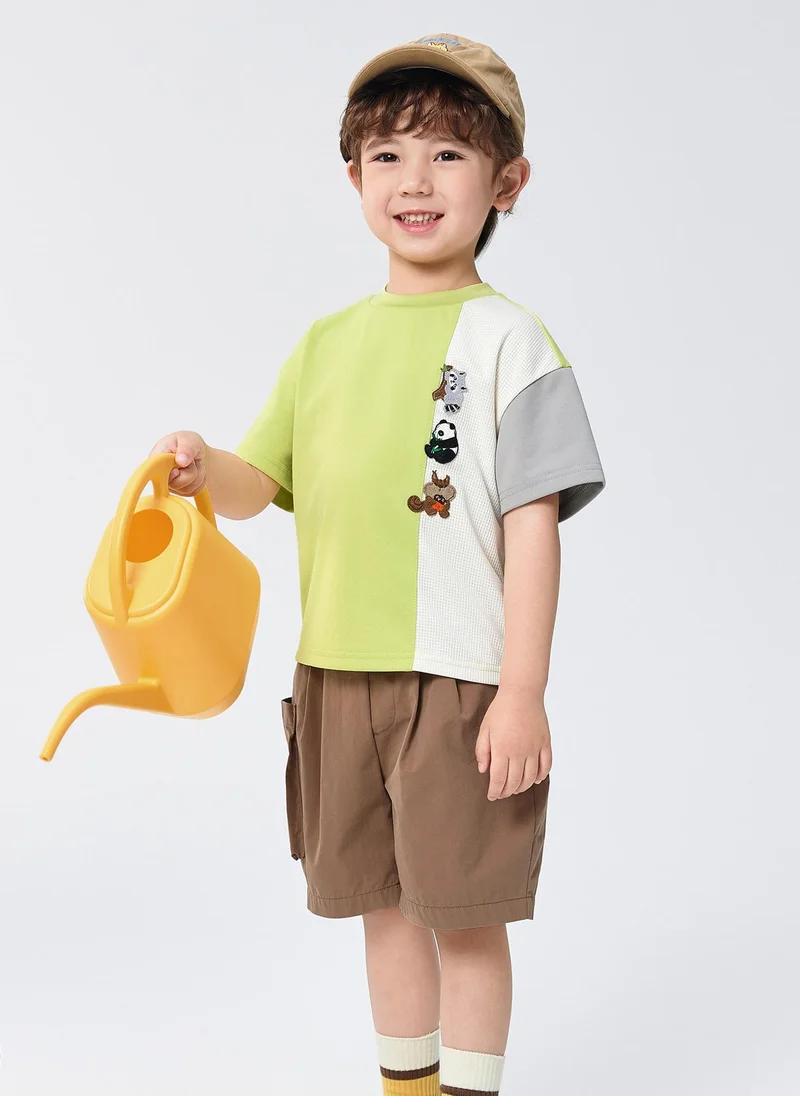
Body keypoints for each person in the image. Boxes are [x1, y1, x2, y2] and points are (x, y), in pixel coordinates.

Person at [150, 32, 606, 1096]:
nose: (415, 181)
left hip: (460, 683)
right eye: (388, 155)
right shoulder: (324, 343)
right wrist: (200, 467)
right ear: (353, 177)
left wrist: (522, 693)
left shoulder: (512, 343)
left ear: (506, 182)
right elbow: (258, 482)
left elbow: (533, 529)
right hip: (333, 677)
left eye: (447, 155)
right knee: (383, 909)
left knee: (466, 914)